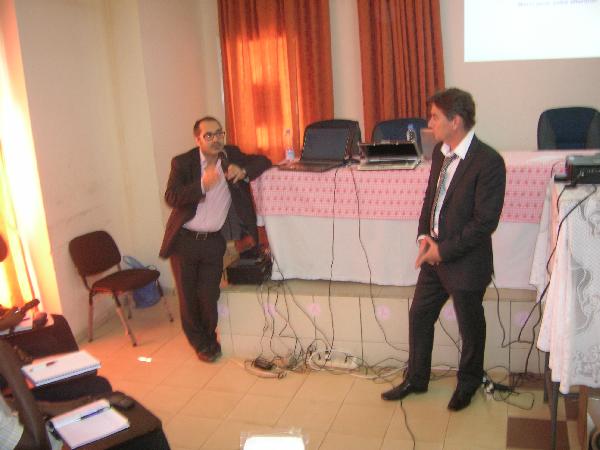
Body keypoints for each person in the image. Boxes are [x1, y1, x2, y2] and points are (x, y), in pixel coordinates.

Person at [381, 88, 506, 411]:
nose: (429, 123)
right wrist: (424, 236)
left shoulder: (489, 161)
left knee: (470, 326)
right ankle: (416, 378)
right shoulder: (440, 152)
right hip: (434, 255)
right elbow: (431, 198)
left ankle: (469, 382)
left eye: (435, 117)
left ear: (456, 121)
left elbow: (484, 222)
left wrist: (443, 251)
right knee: (420, 315)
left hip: (466, 260)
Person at [160, 116, 271, 362]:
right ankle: (201, 344)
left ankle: (210, 337)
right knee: (188, 298)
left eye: (219, 133)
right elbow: (171, 197)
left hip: (213, 242)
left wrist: (243, 171)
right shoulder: (183, 163)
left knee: (209, 296)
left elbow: (264, 161)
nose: (215, 139)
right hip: (185, 241)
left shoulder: (231, 155)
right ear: (197, 139)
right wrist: (202, 185)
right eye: (208, 135)